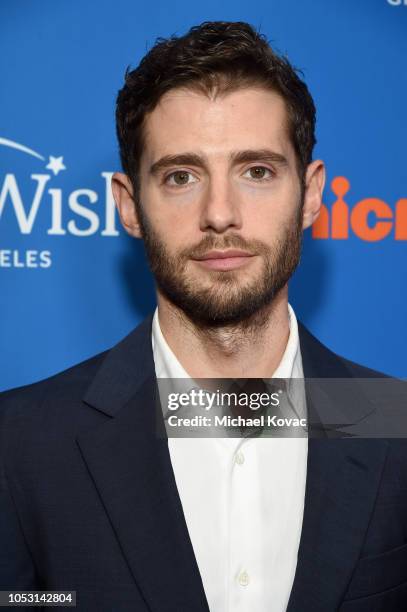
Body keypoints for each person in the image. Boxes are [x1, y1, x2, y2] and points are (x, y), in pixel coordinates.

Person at [1, 20, 407, 612]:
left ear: (312, 195)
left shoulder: (394, 426)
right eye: (181, 177)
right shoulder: (20, 444)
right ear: (128, 205)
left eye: (258, 172)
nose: (220, 213)